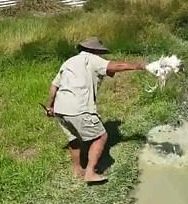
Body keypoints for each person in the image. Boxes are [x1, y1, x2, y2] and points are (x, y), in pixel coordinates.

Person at [45, 37, 146, 183]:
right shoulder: (91, 58)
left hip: (61, 109)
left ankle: (78, 170)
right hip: (78, 107)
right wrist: (138, 66)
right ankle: (90, 173)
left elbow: (54, 85)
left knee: (74, 139)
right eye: (99, 52)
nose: (101, 56)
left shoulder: (69, 62)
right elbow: (114, 66)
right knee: (101, 136)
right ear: (93, 50)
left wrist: (50, 106)